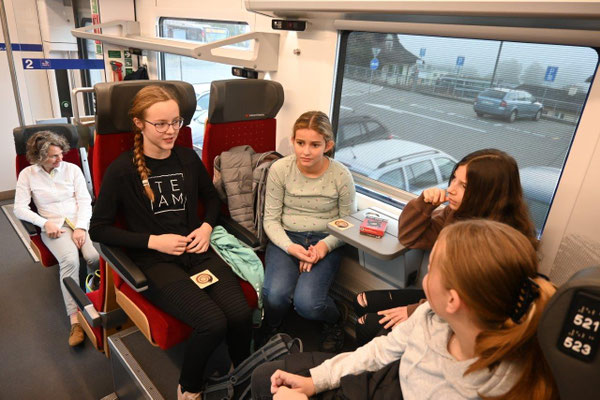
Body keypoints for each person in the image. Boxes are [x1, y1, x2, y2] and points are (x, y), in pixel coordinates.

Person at [251, 220, 558, 400]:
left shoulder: (480, 390)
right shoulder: (431, 317)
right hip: (391, 381)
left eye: (432, 269)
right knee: (265, 376)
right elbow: (380, 351)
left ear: (453, 301)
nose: (424, 279)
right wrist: (316, 380)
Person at [88, 85, 252, 400]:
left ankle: (243, 372)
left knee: (240, 314)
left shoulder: (187, 158)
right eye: (160, 124)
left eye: (176, 122)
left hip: (197, 251)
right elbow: (99, 230)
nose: (170, 131)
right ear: (139, 124)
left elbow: (211, 199)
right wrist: (154, 242)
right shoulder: (122, 170)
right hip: (156, 261)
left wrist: (206, 227)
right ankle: (189, 387)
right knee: (212, 323)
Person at [354, 149, 537, 345]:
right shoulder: (457, 214)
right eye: (454, 179)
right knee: (361, 301)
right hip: (441, 297)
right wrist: (424, 203)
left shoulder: (500, 245)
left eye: (464, 185)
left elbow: (467, 303)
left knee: (367, 325)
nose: (451, 189)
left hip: (462, 315)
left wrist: (413, 312)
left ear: (488, 195)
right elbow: (409, 237)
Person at [262, 111, 356, 352]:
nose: (306, 151)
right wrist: (291, 248)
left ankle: (335, 318)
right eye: (300, 143)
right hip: (288, 237)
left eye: (315, 145)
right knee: (274, 295)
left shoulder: (341, 175)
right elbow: (270, 220)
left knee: (308, 304)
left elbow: (347, 222)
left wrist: (324, 247)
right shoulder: (280, 169)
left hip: (326, 238)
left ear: (328, 145)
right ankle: (272, 326)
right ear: (293, 141)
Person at [14, 130, 100, 347]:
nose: (60, 158)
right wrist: (44, 223)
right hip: (54, 228)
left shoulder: (72, 169)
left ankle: (96, 297)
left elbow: (85, 200)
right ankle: (75, 320)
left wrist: (81, 227)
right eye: (54, 156)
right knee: (70, 261)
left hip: (79, 221)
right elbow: (19, 209)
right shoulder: (28, 174)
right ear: (39, 156)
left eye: (61, 153)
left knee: (93, 258)